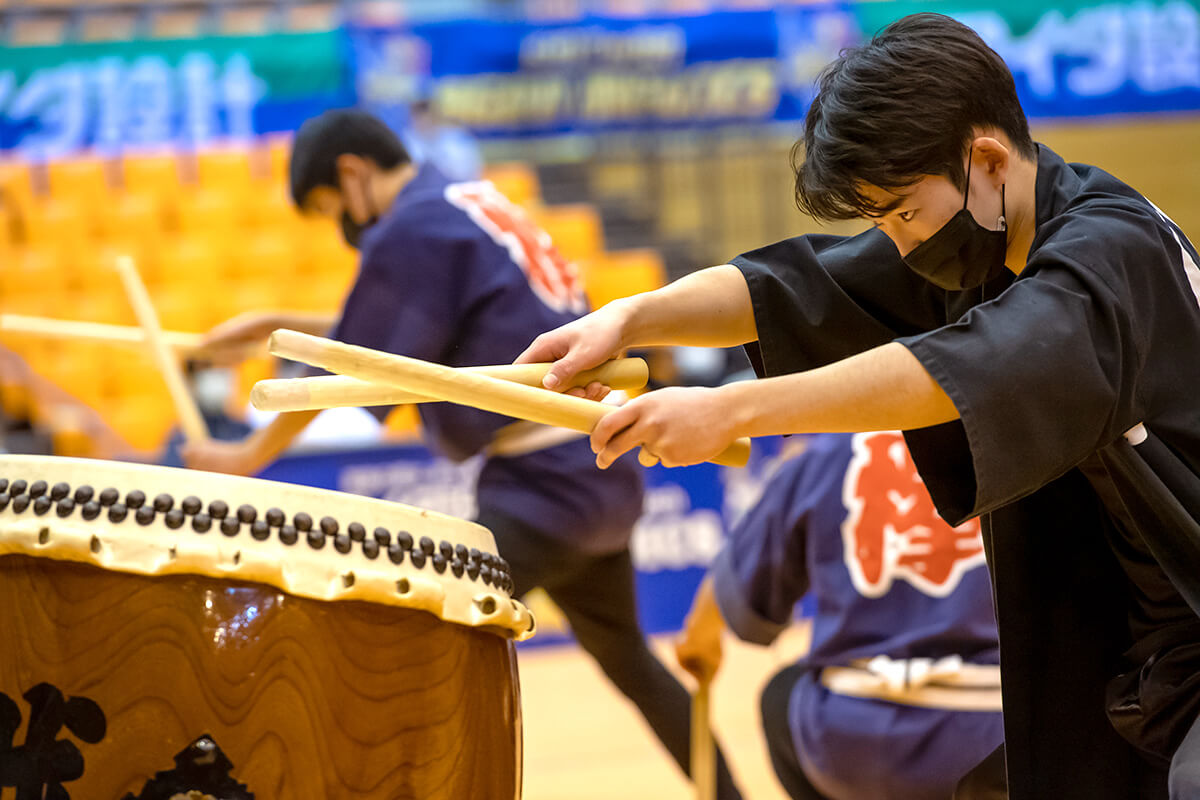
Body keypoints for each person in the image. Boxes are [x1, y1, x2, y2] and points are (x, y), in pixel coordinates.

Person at [516, 14, 1200, 800]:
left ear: (984, 158)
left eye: (901, 213)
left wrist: (733, 411)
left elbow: (970, 370)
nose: (899, 245)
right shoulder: (991, 231)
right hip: (1137, 652)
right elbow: (802, 285)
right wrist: (631, 316)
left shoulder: (1106, 251)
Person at [182, 109, 745, 799]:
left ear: (352, 175)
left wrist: (246, 456)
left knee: (415, 653)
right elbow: (421, 329)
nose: (343, 227)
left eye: (333, 208)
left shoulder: (412, 229)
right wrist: (277, 326)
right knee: (626, 656)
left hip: (544, 488)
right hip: (595, 467)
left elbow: (354, 373)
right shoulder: (462, 198)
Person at [676, 432, 1005, 800]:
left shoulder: (825, 450)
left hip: (851, 734)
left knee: (781, 696)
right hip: (997, 741)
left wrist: (697, 643)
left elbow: (727, 588)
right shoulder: (1022, 445)